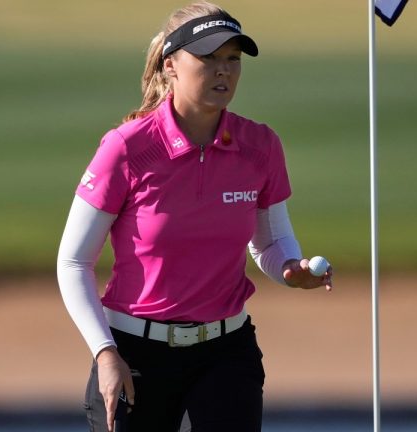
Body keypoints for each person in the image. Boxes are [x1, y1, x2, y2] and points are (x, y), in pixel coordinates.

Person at [57, 2, 332, 431]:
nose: (223, 71)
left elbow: (273, 242)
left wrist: (292, 271)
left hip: (225, 354)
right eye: (208, 58)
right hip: (135, 354)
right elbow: (73, 262)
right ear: (171, 65)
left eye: (232, 60)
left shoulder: (260, 146)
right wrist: (105, 353)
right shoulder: (126, 148)